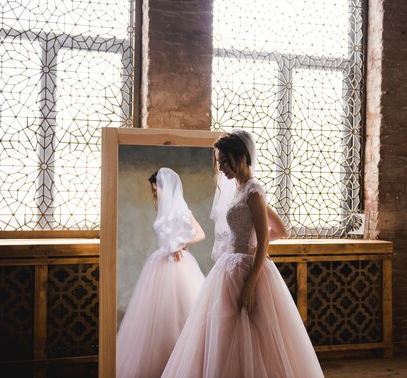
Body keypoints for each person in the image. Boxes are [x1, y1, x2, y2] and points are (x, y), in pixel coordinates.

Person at [161, 129, 324, 378]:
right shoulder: (240, 189)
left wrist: (250, 280)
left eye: (225, 161)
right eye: (219, 162)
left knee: (254, 333)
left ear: (241, 157)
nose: (222, 168)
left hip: (248, 271)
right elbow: (281, 230)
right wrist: (250, 244)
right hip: (229, 267)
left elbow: (270, 237)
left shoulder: (254, 190)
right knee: (224, 332)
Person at [116, 167, 206, 378]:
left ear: (166, 187)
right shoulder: (162, 210)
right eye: (154, 188)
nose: (155, 192)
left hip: (178, 266)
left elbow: (200, 233)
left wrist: (181, 243)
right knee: (155, 317)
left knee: (180, 313)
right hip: (159, 263)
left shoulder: (183, 210)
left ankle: (183, 365)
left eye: (156, 188)